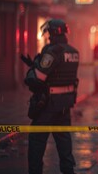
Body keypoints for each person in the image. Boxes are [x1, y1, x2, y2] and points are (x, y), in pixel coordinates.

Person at [23, 19, 79, 174]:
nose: (47, 36)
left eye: (48, 32)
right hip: (64, 106)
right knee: (64, 146)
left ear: (54, 32)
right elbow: (60, 73)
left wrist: (33, 68)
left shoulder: (53, 51)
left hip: (47, 106)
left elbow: (36, 79)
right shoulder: (73, 52)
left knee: (36, 143)